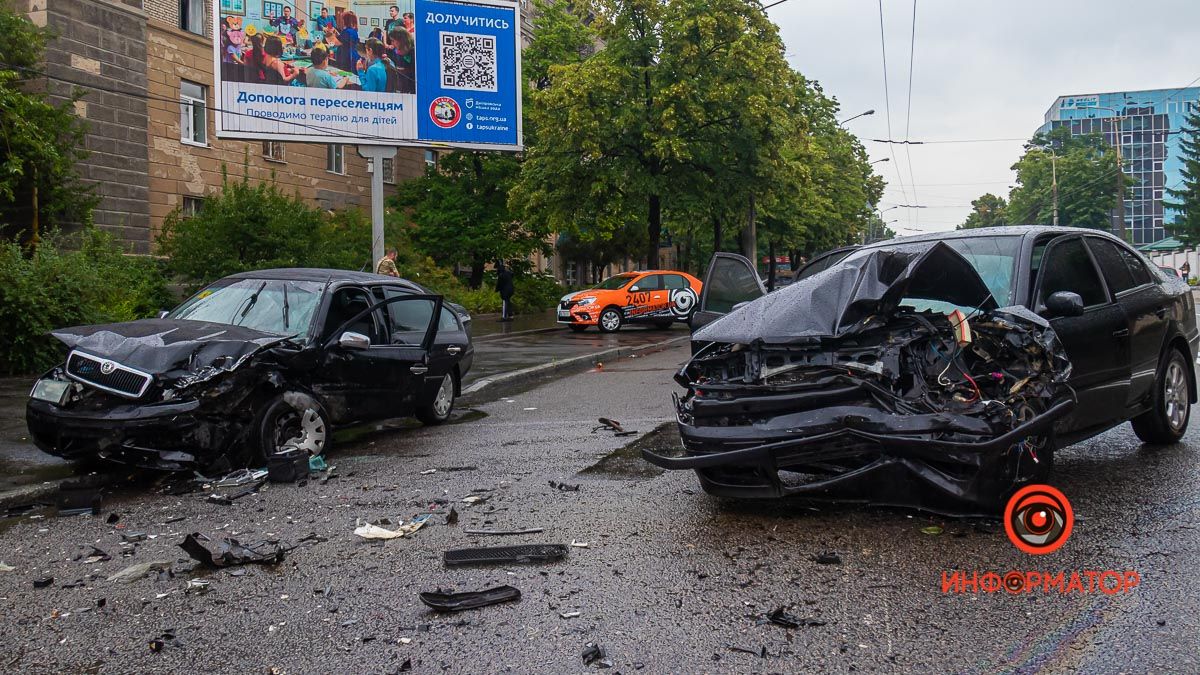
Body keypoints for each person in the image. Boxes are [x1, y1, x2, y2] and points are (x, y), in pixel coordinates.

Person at [386, 28, 414, 93]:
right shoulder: (396, 52)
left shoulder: (413, 53)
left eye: (393, 40)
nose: (392, 43)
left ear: (401, 40)